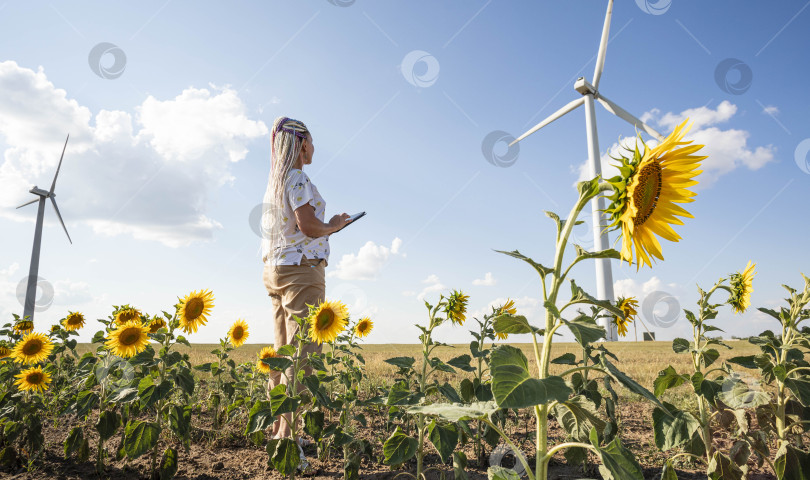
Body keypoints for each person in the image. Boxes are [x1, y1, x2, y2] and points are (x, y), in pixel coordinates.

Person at [260, 117, 349, 466]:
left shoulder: (275, 182)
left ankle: (278, 433)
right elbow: (308, 225)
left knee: (282, 355)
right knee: (302, 358)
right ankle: (289, 444)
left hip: (275, 270)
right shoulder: (297, 178)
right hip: (301, 272)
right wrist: (335, 226)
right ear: (300, 144)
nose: (314, 148)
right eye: (311, 141)